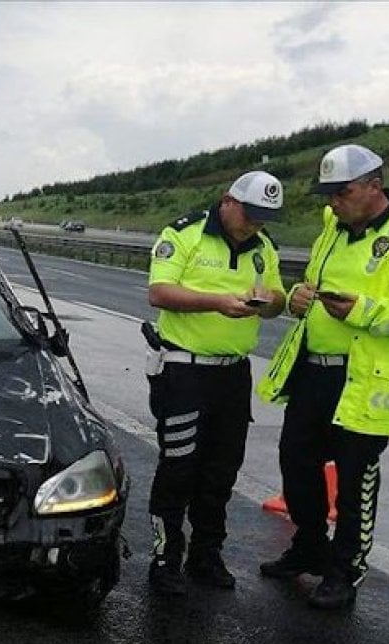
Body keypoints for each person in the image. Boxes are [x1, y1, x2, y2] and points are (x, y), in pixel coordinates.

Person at [256, 144, 389, 609]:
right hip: (315, 370)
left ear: (374, 186)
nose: (333, 202)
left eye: (342, 192)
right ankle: (309, 545)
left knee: (355, 479)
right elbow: (311, 279)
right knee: (296, 460)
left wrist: (365, 311)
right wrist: (300, 297)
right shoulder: (332, 228)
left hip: (369, 378)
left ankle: (345, 571)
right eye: (327, 194)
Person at [143, 170, 287, 596]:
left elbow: (277, 301)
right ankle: (166, 556)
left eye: (264, 217)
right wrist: (217, 303)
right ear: (227, 201)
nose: (255, 224)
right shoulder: (184, 234)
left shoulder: (263, 248)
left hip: (233, 373)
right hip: (184, 369)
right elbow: (159, 292)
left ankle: (207, 554)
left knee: (222, 469)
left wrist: (268, 302)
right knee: (179, 467)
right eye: (250, 214)